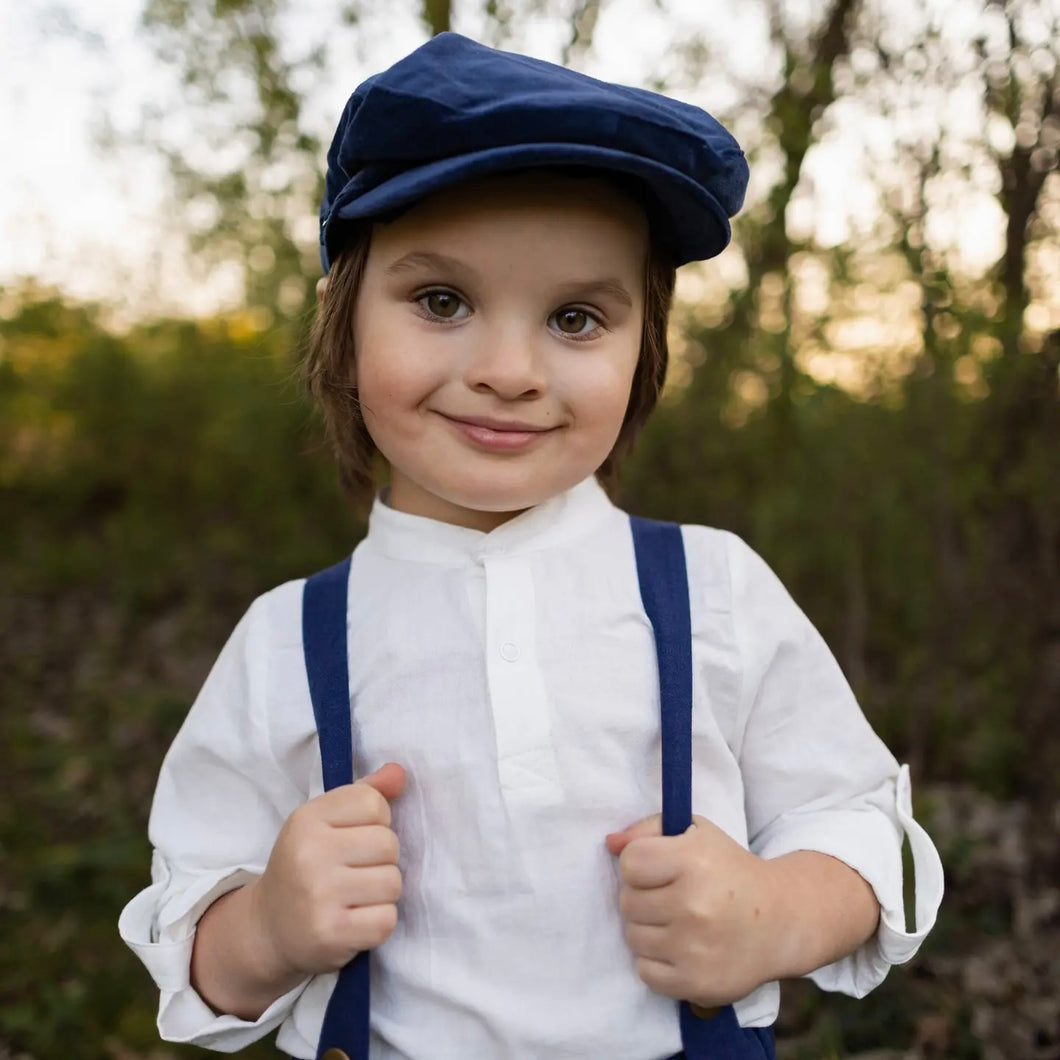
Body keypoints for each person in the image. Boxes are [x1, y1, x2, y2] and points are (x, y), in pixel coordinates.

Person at [119, 31, 943, 1060]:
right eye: (441, 300)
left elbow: (867, 829)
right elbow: (191, 944)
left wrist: (777, 907)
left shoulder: (710, 588)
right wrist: (270, 927)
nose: (508, 369)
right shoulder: (285, 640)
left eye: (575, 317)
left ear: (646, 349)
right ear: (343, 320)